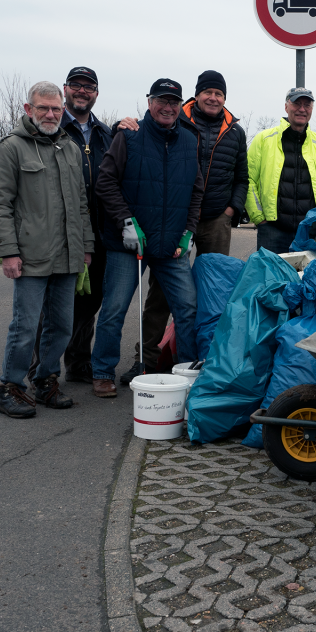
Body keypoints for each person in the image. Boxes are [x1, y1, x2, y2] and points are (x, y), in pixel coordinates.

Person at [118, 70, 249, 379]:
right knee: (162, 294)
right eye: (208, 92)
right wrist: (120, 125)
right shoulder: (177, 118)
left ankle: (202, 360)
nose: (213, 98)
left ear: (225, 98)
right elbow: (143, 133)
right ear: (197, 94)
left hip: (217, 220)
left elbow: (242, 176)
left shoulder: (235, 131)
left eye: (219, 93)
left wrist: (232, 209)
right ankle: (148, 359)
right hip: (174, 219)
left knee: (213, 291)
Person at [90, 78, 203, 398]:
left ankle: (189, 372)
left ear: (181, 106)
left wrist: (189, 232)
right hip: (129, 244)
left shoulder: (187, 141)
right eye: (161, 100)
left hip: (171, 246)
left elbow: (196, 192)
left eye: (173, 102)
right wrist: (126, 222)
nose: (167, 107)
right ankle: (102, 371)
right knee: (114, 308)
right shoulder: (129, 135)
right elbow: (106, 183)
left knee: (188, 308)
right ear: (149, 102)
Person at [0, 81, 93, 417]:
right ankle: (11, 386)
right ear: (27, 109)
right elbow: (0, 204)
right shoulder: (11, 148)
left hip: (67, 256)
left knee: (62, 325)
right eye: (43, 108)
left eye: (55, 108)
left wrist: (85, 247)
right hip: (30, 256)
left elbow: (80, 204)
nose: (50, 114)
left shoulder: (71, 149)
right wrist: (8, 252)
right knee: (26, 325)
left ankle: (45, 380)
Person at [58, 67, 112, 383]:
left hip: (100, 233)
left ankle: (78, 363)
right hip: (63, 233)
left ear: (96, 93)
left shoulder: (105, 133)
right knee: (58, 305)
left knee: (90, 300)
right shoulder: (53, 128)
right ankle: (42, 370)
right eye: (76, 85)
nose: (82, 90)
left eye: (88, 86)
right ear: (66, 89)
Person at [246, 87, 316, 254]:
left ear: (312, 109)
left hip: (310, 232)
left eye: (307, 105)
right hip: (272, 231)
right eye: (297, 103)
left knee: (308, 279)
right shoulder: (263, 140)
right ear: (286, 107)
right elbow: (248, 180)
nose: (302, 109)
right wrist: (259, 217)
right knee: (272, 279)